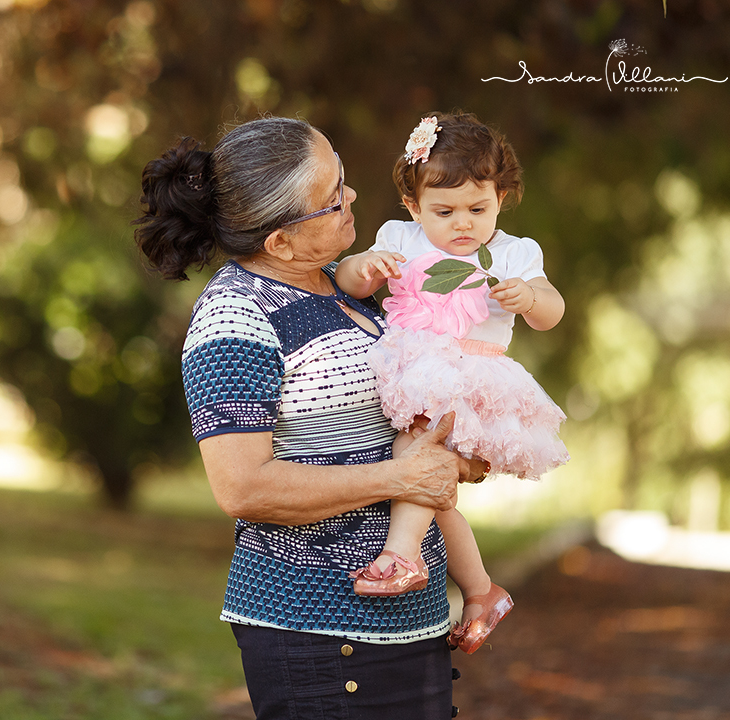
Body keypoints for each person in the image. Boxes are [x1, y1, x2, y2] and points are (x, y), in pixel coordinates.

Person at [135, 116, 491, 720]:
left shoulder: (347, 289)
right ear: (280, 242)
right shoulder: (236, 316)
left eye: (342, 177)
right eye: (332, 197)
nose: (352, 195)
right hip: (320, 632)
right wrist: (399, 478)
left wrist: (455, 455)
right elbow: (243, 487)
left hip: (414, 618)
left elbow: (392, 424)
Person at [334, 112, 569, 653]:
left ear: (501, 197)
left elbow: (552, 310)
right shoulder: (401, 238)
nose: (463, 224)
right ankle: (481, 590)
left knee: (415, 453)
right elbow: (347, 280)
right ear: (414, 205)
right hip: (415, 368)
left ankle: (402, 555)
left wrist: (530, 298)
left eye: (477, 209)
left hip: (469, 378)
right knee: (438, 496)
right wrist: (366, 266)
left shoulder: (513, 253)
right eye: (444, 211)